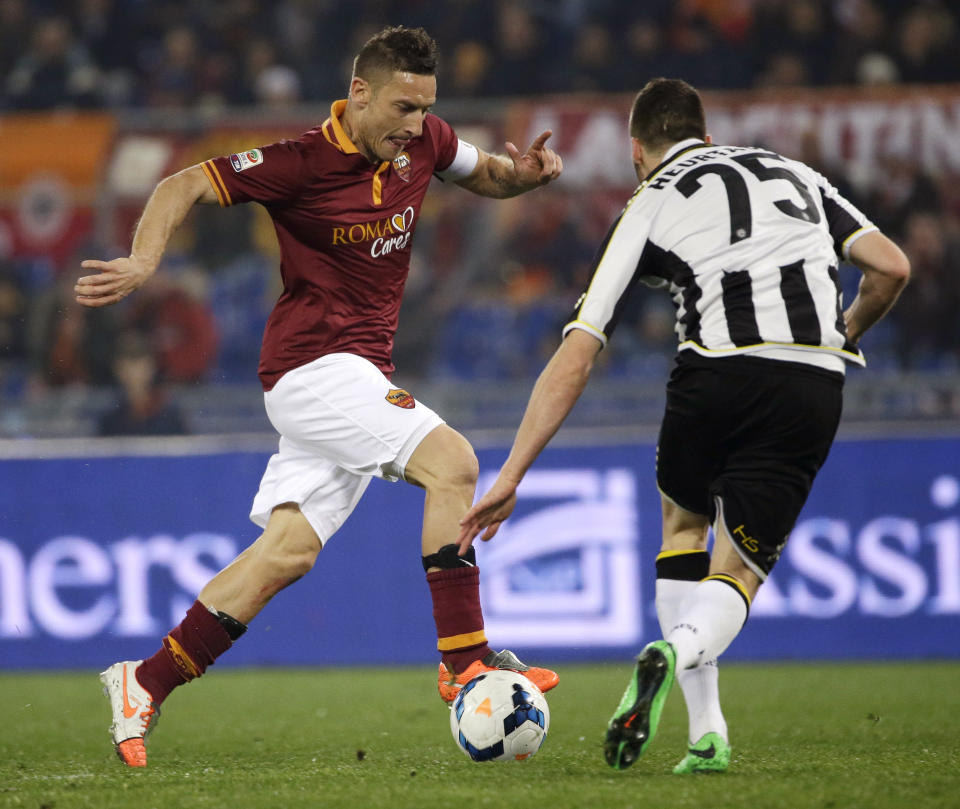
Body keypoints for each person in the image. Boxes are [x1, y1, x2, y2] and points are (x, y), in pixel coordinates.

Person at [77, 25, 562, 768]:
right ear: (359, 93)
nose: (414, 124)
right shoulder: (299, 162)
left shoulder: (424, 141)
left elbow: (484, 173)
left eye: (424, 107)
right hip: (311, 369)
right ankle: (466, 662)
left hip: (356, 376)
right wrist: (145, 261)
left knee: (288, 552)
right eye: (402, 106)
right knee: (454, 465)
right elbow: (182, 184)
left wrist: (525, 174)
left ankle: (142, 683)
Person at [457, 78, 909, 774]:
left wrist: (512, 472)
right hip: (811, 381)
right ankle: (693, 690)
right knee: (741, 571)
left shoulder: (651, 198)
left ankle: (704, 719)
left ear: (638, 150)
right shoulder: (796, 174)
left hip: (715, 374)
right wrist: (840, 331)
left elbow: (580, 350)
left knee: (683, 527)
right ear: (705, 128)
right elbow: (891, 267)